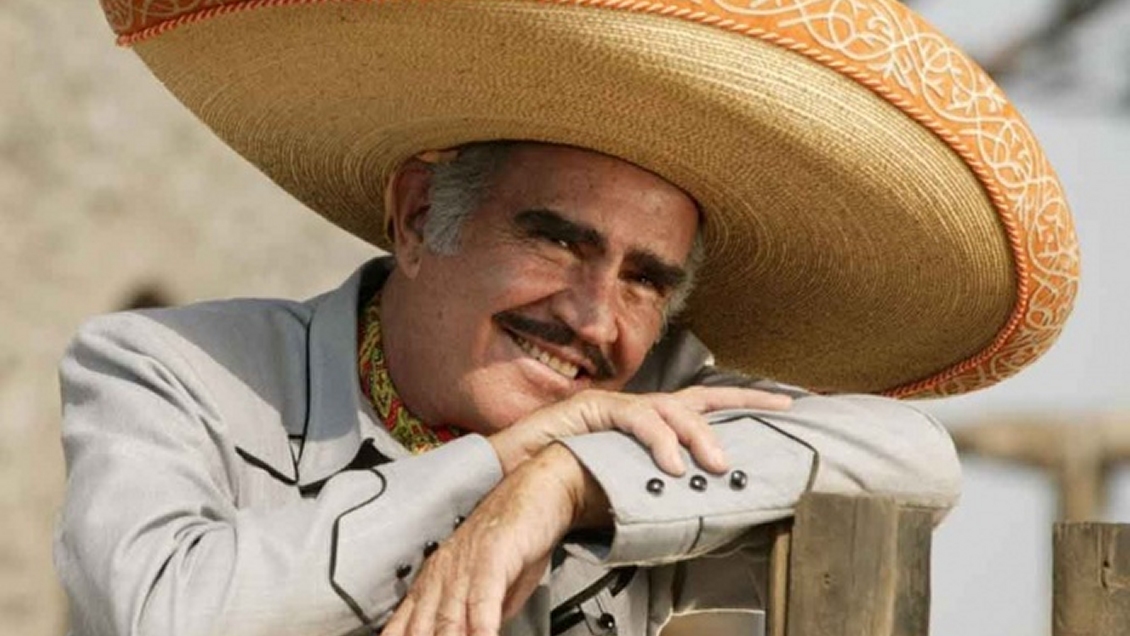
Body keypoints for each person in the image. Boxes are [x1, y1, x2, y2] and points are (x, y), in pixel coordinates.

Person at [58, 2, 1080, 636]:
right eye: (555, 241)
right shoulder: (166, 368)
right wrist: (491, 468)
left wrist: (564, 483)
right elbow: (168, 615)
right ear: (416, 215)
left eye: (644, 280)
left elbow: (910, 460)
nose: (594, 317)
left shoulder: (642, 415)